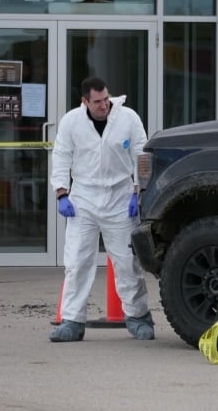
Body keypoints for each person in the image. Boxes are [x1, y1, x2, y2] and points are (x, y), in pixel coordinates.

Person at [49, 76, 154, 342]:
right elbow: (61, 155)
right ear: (84, 101)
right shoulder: (72, 122)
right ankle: (72, 321)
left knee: (126, 263)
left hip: (120, 197)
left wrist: (137, 190)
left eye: (106, 99)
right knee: (76, 262)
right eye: (97, 101)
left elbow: (141, 156)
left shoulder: (127, 118)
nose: (103, 105)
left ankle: (138, 317)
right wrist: (62, 192)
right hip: (83, 197)